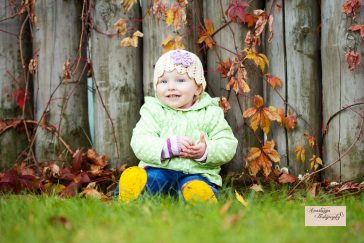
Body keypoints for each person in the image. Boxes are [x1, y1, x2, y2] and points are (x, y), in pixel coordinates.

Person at [116, 49, 238, 204]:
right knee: (152, 180)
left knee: (196, 186)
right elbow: (140, 141)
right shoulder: (154, 111)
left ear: (198, 88)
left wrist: (205, 151)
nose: (171, 87)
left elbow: (228, 143)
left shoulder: (210, 112)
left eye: (180, 81)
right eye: (164, 81)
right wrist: (166, 147)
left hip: (197, 172)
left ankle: (200, 197)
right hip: (159, 169)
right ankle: (132, 192)